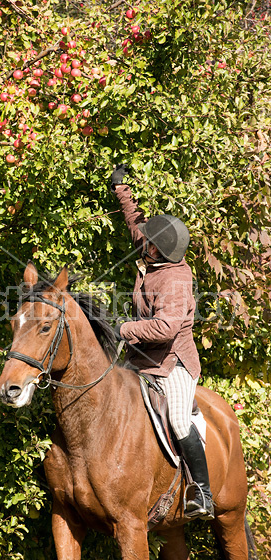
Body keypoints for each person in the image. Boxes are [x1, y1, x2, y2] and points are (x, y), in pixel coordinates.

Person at [111, 164, 214, 521]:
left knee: (179, 419)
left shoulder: (174, 280)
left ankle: (201, 491)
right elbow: (135, 224)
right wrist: (121, 188)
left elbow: (166, 329)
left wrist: (124, 330)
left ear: (161, 251)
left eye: (150, 243)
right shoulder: (157, 250)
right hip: (142, 359)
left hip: (174, 363)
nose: (144, 243)